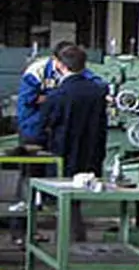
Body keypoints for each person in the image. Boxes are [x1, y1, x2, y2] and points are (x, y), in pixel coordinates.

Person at [40, 45, 109, 241]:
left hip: (63, 154)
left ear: (61, 66)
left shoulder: (57, 95)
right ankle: (75, 234)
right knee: (76, 198)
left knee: (64, 196)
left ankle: (69, 239)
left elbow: (46, 122)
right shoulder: (98, 92)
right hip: (91, 153)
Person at [16, 41, 105, 150]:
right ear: (55, 59)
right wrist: (59, 96)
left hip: (59, 131)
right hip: (34, 128)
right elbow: (29, 99)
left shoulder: (72, 66)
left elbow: (99, 85)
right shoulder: (36, 71)